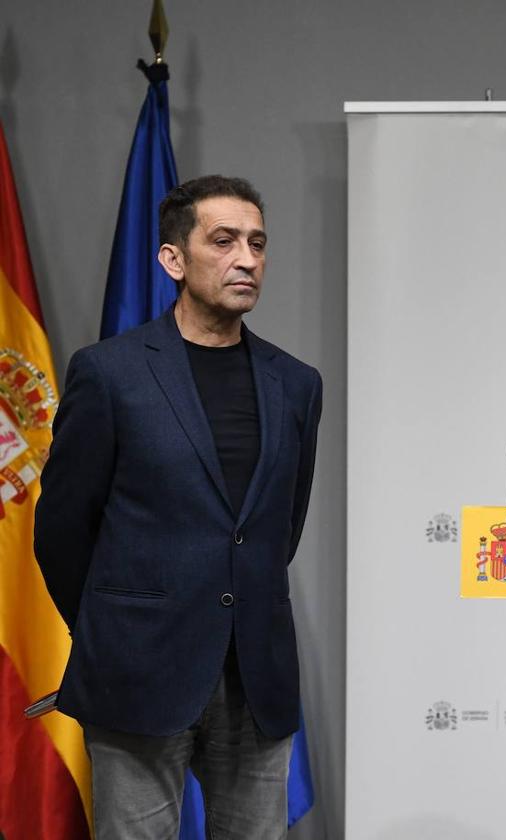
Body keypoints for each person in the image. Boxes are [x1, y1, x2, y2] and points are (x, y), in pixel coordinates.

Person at [34, 175, 322, 839]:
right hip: (136, 669)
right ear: (173, 260)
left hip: (257, 675)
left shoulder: (297, 384)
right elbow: (61, 527)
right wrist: (114, 625)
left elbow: (279, 528)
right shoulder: (109, 373)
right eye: (223, 241)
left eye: (257, 243)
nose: (246, 259)